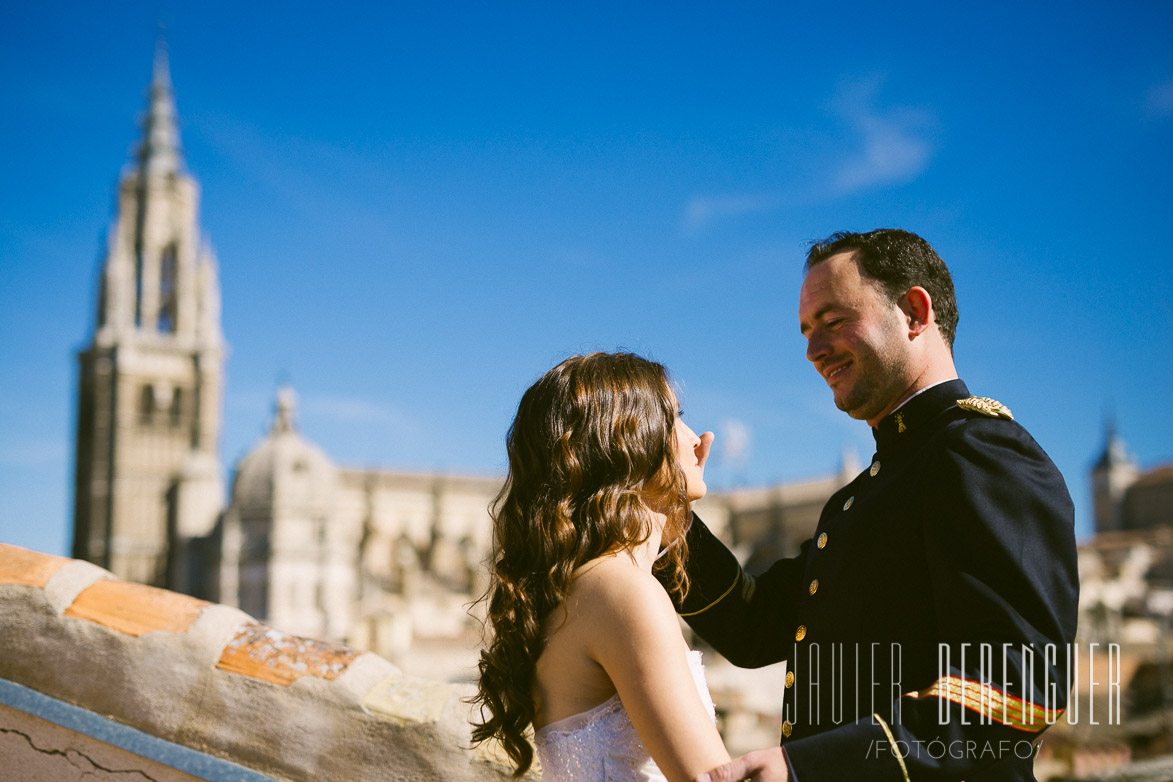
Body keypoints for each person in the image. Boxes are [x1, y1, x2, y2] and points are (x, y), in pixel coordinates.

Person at [680, 229, 1079, 782]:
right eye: (806, 331)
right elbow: (754, 626)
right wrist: (664, 516)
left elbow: (1014, 692)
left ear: (915, 312)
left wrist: (807, 769)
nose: (813, 350)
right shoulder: (869, 491)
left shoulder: (981, 453)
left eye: (834, 321)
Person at [471, 352, 729, 782]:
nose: (700, 438)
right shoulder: (624, 593)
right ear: (631, 443)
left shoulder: (577, 589)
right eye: (676, 419)